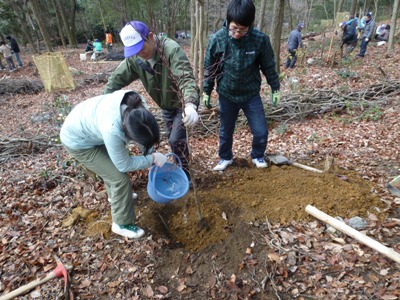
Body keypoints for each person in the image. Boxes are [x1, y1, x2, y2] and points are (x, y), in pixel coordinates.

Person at [60, 90, 168, 239]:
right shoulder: (112, 129)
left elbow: (146, 135)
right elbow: (123, 165)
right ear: (129, 134)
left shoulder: (140, 108)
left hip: (91, 126)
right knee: (119, 179)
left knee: (113, 170)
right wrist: (152, 158)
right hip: (78, 141)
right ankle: (121, 224)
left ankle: (116, 197)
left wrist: (149, 152)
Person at [104, 20, 200, 182]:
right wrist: (102, 100)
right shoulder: (136, 59)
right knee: (174, 141)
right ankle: (181, 169)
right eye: (135, 51)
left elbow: (185, 80)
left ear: (150, 37)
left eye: (142, 48)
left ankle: (185, 176)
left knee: (176, 139)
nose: (140, 53)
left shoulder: (171, 50)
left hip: (181, 105)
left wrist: (190, 104)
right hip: (165, 106)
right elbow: (116, 79)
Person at [203, 0, 280, 171]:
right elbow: (210, 68)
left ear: (250, 25)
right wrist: (206, 91)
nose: (237, 33)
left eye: (242, 29)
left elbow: (268, 65)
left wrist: (275, 87)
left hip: (250, 94)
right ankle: (225, 158)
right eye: (233, 28)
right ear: (228, 21)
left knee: (261, 131)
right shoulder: (217, 39)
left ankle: (257, 155)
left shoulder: (260, 40)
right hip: (226, 94)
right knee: (225, 131)